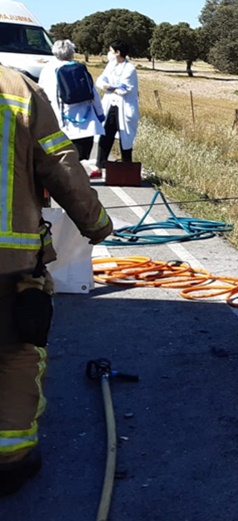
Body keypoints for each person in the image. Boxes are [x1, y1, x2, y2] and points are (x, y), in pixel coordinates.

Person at [0, 65, 113, 496]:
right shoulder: (16, 89)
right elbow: (60, 163)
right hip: (9, 264)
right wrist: (96, 224)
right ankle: (9, 461)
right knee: (15, 353)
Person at [36, 40, 105, 168]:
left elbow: (41, 94)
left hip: (60, 123)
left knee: (61, 162)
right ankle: (79, 185)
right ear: (72, 52)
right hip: (86, 124)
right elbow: (93, 93)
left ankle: (64, 185)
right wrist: (100, 114)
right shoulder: (80, 68)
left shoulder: (48, 69)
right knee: (79, 161)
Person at [95, 40, 139, 171]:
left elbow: (124, 89)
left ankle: (127, 167)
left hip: (123, 107)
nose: (109, 53)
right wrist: (110, 87)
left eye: (111, 51)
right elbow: (100, 81)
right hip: (110, 105)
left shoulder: (130, 69)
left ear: (118, 52)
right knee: (106, 133)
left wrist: (108, 86)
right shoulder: (111, 65)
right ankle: (100, 164)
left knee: (125, 137)